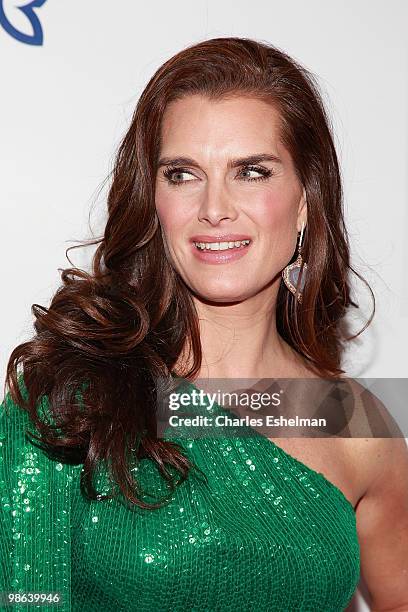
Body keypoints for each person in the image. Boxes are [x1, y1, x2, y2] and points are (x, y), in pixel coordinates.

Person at [1, 36, 408, 612]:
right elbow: (23, 597)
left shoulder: (355, 422)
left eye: (251, 171)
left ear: (305, 202)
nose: (214, 207)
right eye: (183, 174)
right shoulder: (68, 398)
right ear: (153, 201)